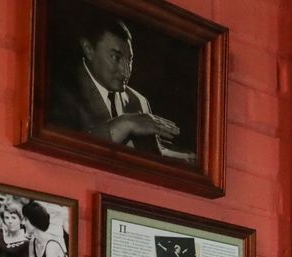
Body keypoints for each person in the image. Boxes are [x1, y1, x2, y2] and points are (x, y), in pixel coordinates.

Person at [49, 12, 192, 162]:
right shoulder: (59, 92)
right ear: (89, 49)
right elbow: (59, 155)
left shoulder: (139, 101)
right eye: (116, 58)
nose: (126, 71)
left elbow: (150, 162)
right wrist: (122, 125)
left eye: (129, 60)